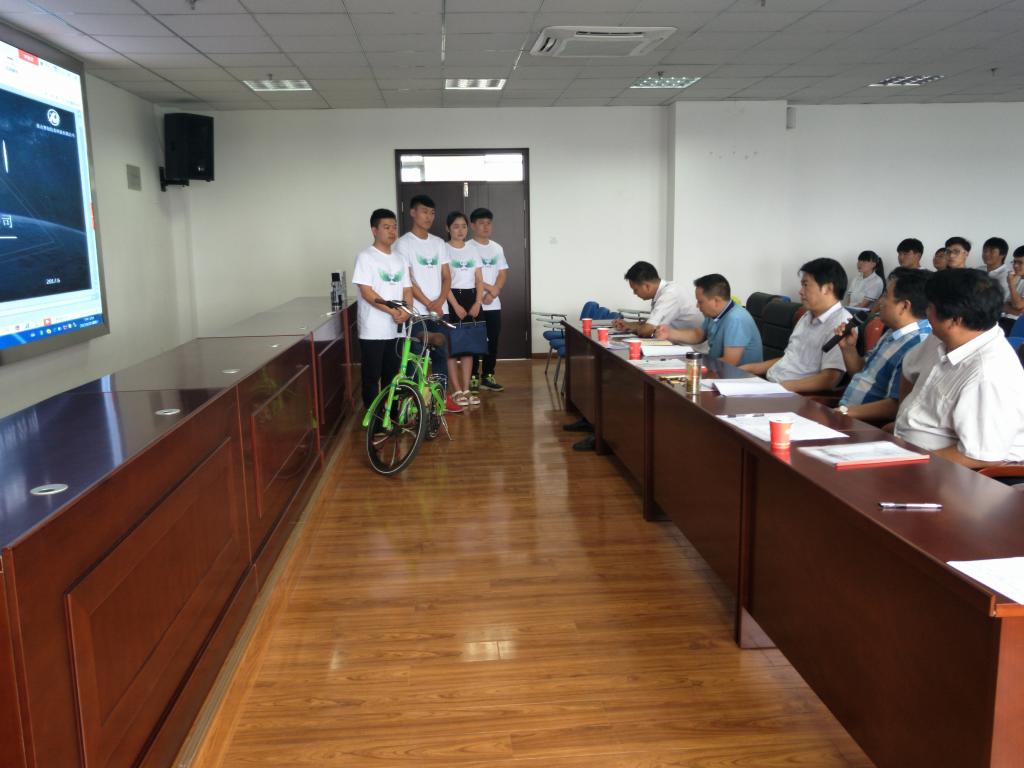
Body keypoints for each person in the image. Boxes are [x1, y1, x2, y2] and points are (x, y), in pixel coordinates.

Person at [894, 268, 1024, 467]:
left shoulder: (989, 375)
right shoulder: (942, 337)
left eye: (930, 306)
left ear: (955, 320)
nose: (926, 312)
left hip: (956, 472)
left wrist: (911, 461)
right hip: (906, 450)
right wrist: (902, 422)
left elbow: (981, 456)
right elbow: (908, 370)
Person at [393, 194, 463, 414]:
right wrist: (428, 303)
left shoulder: (438, 243)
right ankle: (414, 403)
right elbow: (408, 278)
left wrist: (440, 301)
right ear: (413, 213)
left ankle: (439, 399)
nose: (429, 216)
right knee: (415, 357)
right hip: (416, 313)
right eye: (424, 211)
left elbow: (447, 276)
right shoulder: (403, 244)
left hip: (440, 311)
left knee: (441, 355)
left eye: (432, 213)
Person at [833, 268, 931, 423]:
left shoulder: (918, 343)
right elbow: (862, 373)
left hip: (868, 426)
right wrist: (849, 349)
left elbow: (896, 405)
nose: (880, 302)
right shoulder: (893, 332)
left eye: (885, 296)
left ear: (904, 306)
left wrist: (845, 413)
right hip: (847, 414)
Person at [740, 258, 851, 393]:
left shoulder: (841, 323)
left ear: (828, 288)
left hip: (794, 395)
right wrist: (750, 368)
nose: (800, 291)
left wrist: (775, 389)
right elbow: (790, 359)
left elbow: (829, 379)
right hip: (772, 385)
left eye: (805, 285)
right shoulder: (807, 316)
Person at [353, 208, 413, 412]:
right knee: (372, 377)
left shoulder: (400, 258)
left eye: (394, 227)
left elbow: (407, 289)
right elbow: (367, 292)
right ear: (374, 230)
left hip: (397, 329)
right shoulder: (365, 257)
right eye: (386, 227)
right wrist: (393, 311)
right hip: (373, 330)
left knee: (393, 376)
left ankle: (392, 416)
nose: (392, 231)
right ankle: (375, 421)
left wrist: (406, 311)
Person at [654, 273, 762, 365]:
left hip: (739, 377)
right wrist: (669, 333)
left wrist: (694, 362)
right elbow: (698, 335)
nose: (697, 306)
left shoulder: (736, 319)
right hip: (718, 370)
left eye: (700, 302)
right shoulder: (714, 314)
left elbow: (730, 362)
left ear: (716, 301)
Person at [444, 211, 483, 406]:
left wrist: (477, 302)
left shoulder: (473, 249)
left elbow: (479, 279)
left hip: (471, 298)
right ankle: (456, 390)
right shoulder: (443, 249)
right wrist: (455, 305)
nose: (460, 230)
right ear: (448, 228)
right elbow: (444, 281)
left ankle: (466, 389)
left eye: (464, 226)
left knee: (469, 348)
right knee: (452, 349)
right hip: (451, 298)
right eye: (456, 226)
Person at [468, 207, 507, 393]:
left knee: (493, 341)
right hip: (474, 303)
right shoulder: (467, 247)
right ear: (473, 225)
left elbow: (502, 273)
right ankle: (473, 377)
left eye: (488, 223)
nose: (486, 227)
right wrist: (490, 289)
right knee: (474, 342)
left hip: (493, 304)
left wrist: (494, 293)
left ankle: (488, 376)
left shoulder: (497, 248)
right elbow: (467, 276)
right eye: (481, 223)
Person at [612, 261, 702, 337]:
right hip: (676, 344)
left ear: (647, 286)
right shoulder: (663, 291)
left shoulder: (670, 294)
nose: (634, 293)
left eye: (635, 290)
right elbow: (652, 323)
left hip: (690, 348)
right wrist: (628, 324)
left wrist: (636, 327)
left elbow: (647, 330)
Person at [981, 236, 1011, 303]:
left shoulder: (1007, 275)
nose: (986, 254)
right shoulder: (978, 269)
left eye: (992, 251)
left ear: (1002, 254)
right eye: (984, 251)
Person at [1006, 245, 1024, 316]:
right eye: (1014, 262)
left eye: (1020, 262)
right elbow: (1004, 304)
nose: (1015, 265)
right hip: (1007, 319)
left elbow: (1018, 305)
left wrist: (1011, 284)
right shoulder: (1016, 277)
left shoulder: (1011, 280)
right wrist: (1016, 311)